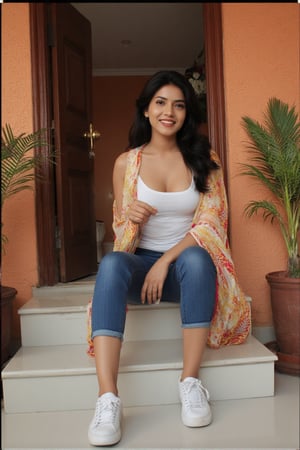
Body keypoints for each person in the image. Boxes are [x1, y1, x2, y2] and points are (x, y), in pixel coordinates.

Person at [87, 70, 251, 447]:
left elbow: (213, 222)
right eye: (160, 102)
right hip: (138, 267)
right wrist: (129, 219)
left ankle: (190, 382)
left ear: (186, 113)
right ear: (146, 109)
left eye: (178, 104)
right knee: (111, 263)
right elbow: (121, 229)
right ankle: (107, 398)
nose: (169, 112)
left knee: (194, 260)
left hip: (185, 270)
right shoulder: (125, 164)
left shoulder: (204, 159)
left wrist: (165, 262)